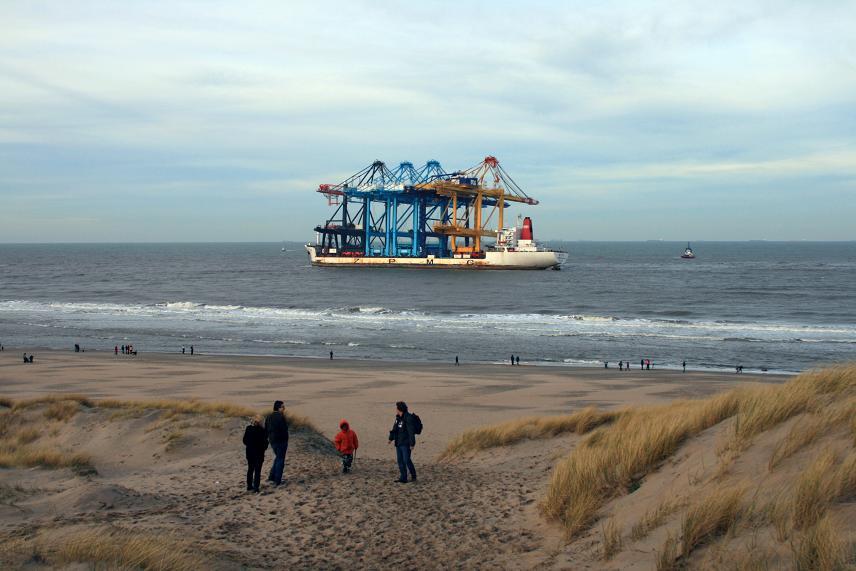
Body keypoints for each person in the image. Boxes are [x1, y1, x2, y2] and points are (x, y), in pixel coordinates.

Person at [389, 401, 417, 483]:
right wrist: (390, 438)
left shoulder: (408, 418)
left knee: (406, 460)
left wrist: (412, 444)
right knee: (400, 461)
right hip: (398, 443)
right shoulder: (398, 418)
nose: (396, 410)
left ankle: (413, 475)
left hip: (406, 443)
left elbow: (411, 432)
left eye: (397, 408)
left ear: (400, 409)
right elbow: (394, 429)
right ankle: (403, 477)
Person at [265, 400, 289, 486]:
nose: (284, 408)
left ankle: (272, 476)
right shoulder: (280, 417)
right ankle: (277, 480)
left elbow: (266, 429)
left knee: (278, 457)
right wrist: (285, 438)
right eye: (282, 407)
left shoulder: (269, 416)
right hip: (281, 441)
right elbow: (284, 428)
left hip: (273, 441)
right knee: (280, 460)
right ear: (278, 408)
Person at [242, 416, 268, 493]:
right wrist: (263, 447)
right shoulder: (262, 430)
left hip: (250, 453)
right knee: (257, 471)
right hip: (259, 453)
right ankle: (256, 487)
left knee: (250, 469)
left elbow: (244, 440)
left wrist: (250, 445)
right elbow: (265, 443)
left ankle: (249, 486)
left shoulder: (248, 428)